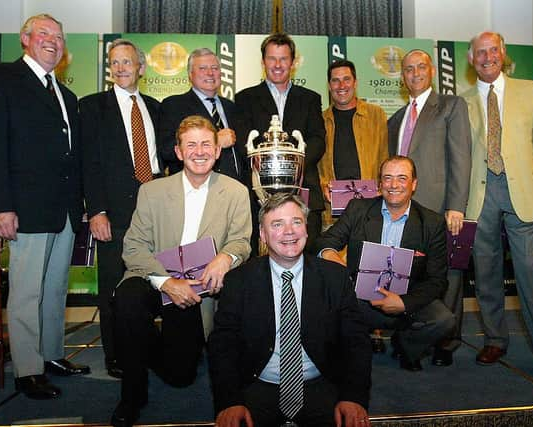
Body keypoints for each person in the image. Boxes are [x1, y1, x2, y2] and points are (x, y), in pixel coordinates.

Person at [0, 13, 89, 400]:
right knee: (26, 292)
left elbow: (71, 156)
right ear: (25, 38)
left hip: (65, 211)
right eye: (44, 33)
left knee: (55, 289)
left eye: (58, 36)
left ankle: (51, 355)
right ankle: (27, 369)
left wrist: (82, 204)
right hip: (24, 209)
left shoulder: (67, 96)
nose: (53, 41)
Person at [110, 116, 252, 427]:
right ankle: (132, 396)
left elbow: (242, 241)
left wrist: (226, 257)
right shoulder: (152, 191)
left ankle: (152, 349)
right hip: (155, 277)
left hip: (201, 287)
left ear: (217, 151)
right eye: (191, 145)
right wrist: (166, 282)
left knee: (180, 376)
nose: (199, 152)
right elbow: (133, 248)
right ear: (178, 152)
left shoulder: (236, 191)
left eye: (206, 144)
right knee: (127, 300)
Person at [462, 31, 533, 382]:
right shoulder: (460, 100)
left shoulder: (532, 91)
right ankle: (496, 339)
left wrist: (528, 182)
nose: (486, 57)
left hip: (521, 192)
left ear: (503, 53)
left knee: (530, 270)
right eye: (480, 53)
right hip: (479, 194)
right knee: (486, 272)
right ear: (470, 59)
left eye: (492, 50)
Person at [208, 193, 371, 427]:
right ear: (263, 236)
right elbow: (223, 345)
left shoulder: (335, 277)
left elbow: (356, 341)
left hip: (321, 383)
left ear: (306, 229)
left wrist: (353, 397)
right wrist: (229, 401)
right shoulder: (238, 281)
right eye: (277, 224)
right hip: (258, 384)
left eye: (296, 222)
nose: (289, 231)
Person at [312, 156, 454, 372]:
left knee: (443, 319)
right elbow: (325, 241)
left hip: (406, 300)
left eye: (401, 178)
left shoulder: (432, 223)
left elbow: (437, 281)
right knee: (323, 307)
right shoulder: (358, 209)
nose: (394, 185)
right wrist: (331, 255)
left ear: (414, 184)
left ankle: (406, 346)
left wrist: (404, 303)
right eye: (387, 178)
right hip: (359, 298)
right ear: (379, 184)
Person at [79, 38, 162, 379]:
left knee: (152, 285)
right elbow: (89, 162)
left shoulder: (156, 108)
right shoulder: (92, 106)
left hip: (155, 213)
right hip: (113, 215)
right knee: (113, 288)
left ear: (141, 68)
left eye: (127, 62)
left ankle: (149, 350)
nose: (121, 68)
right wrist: (96, 210)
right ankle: (117, 357)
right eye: (115, 63)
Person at [387, 49, 472, 367]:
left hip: (441, 211)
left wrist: (456, 206)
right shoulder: (395, 119)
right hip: (405, 215)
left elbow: (460, 158)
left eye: (420, 67)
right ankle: (414, 336)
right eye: (408, 69)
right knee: (409, 278)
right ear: (403, 76)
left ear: (432, 70)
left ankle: (446, 345)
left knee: (448, 276)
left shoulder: (451, 106)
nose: (414, 73)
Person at [235, 33, 326, 251]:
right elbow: (243, 144)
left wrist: (292, 166)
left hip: (303, 191)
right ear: (263, 61)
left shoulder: (310, 98)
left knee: (307, 261)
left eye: (283, 59)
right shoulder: (244, 99)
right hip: (259, 195)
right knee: (262, 266)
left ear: (293, 63)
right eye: (272, 58)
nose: (277, 65)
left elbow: (318, 140)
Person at [319, 59, 388, 227]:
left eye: (346, 79)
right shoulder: (320, 120)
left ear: (355, 82)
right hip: (333, 214)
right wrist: (323, 186)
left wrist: (382, 186)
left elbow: (385, 157)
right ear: (329, 86)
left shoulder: (376, 115)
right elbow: (315, 167)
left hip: (371, 210)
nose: (341, 85)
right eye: (335, 80)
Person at [159, 48, 243, 181]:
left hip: (235, 190)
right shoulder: (173, 105)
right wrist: (216, 141)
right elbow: (166, 150)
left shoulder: (232, 107)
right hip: (196, 189)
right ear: (190, 75)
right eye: (203, 68)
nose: (210, 73)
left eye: (215, 68)